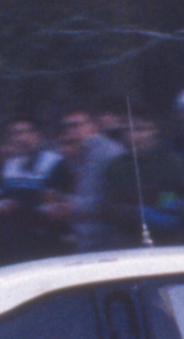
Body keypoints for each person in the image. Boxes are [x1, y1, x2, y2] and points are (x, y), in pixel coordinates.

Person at [97, 107, 184, 247]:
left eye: (140, 129)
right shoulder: (116, 166)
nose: (134, 136)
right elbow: (106, 208)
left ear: (154, 130)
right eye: (128, 130)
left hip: (174, 241)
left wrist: (178, 206)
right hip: (132, 242)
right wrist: (136, 213)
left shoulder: (173, 162)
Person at [0, 115, 70, 263]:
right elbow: (3, 195)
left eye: (24, 132)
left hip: (44, 241)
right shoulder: (10, 164)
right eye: (13, 134)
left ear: (37, 135)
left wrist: (19, 207)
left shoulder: (54, 162)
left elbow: (55, 204)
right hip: (12, 240)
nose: (19, 138)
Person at [45, 106, 125, 252]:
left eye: (76, 125)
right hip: (85, 236)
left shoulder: (109, 153)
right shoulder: (81, 152)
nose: (71, 131)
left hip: (107, 239)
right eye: (67, 127)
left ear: (93, 125)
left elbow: (111, 201)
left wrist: (70, 205)